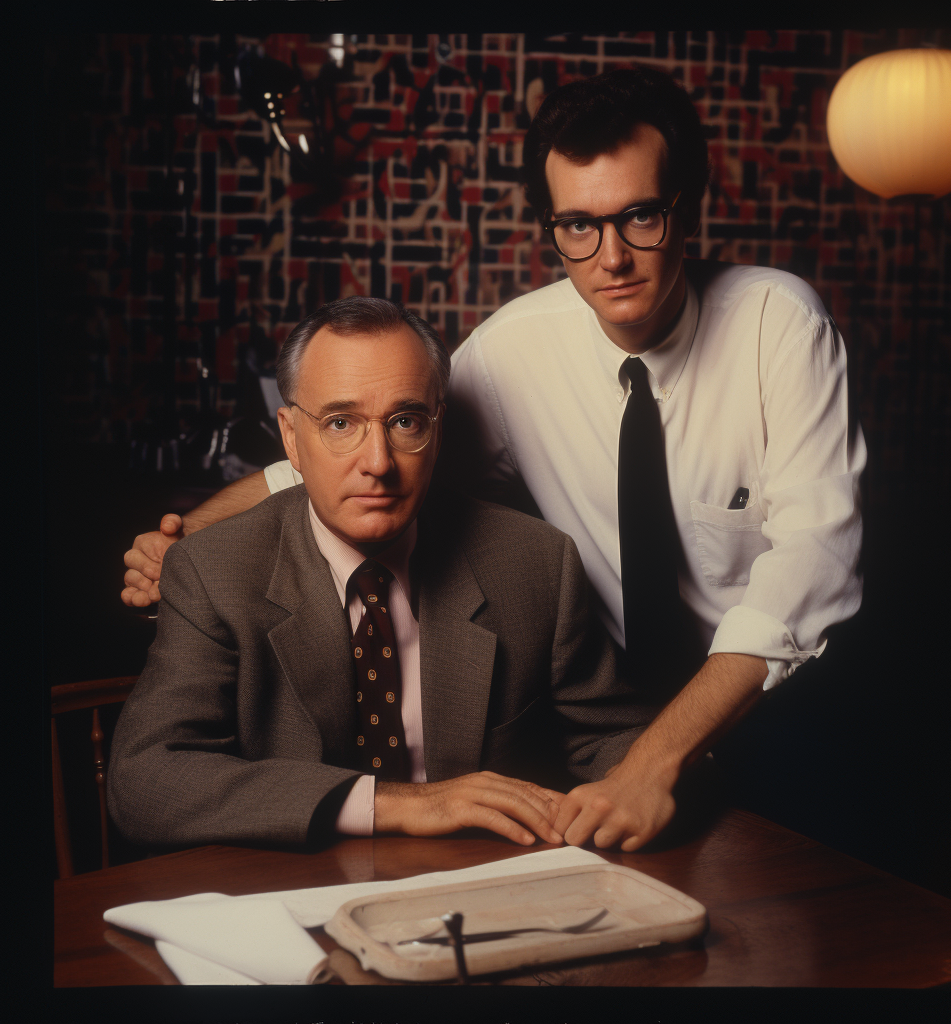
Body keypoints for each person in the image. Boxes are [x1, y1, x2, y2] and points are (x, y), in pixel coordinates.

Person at [122, 67, 865, 854]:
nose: (610, 256)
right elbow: (372, 445)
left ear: (690, 209)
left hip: (781, 715)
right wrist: (185, 537)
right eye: (577, 225)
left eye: (640, 216)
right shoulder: (517, 346)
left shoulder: (780, 325)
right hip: (619, 736)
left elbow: (810, 567)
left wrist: (652, 765)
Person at [108, 297, 654, 851]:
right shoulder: (213, 573)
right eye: (341, 423)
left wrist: (648, 780)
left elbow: (618, 742)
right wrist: (395, 803)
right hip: (293, 895)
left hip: (478, 891)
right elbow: (145, 781)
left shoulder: (534, 562)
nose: (378, 462)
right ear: (292, 438)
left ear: (438, 431)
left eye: (406, 421)